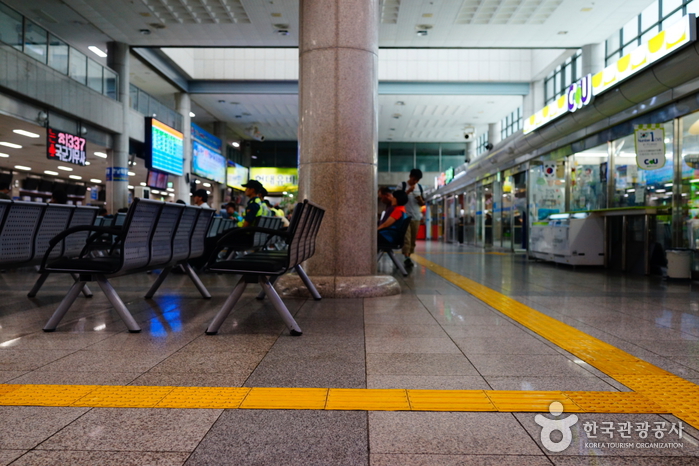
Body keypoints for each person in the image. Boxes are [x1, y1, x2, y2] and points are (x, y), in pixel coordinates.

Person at [396, 168, 425, 268]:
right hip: (404, 216)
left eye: (417, 180)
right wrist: (408, 191)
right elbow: (397, 199)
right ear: (410, 176)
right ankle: (406, 258)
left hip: (416, 217)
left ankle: (408, 256)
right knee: (406, 239)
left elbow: (423, 203)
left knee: (412, 240)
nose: (415, 182)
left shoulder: (420, 188)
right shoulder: (402, 185)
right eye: (414, 179)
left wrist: (420, 199)